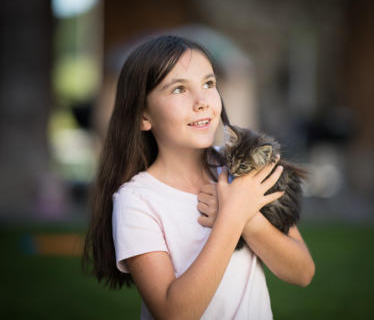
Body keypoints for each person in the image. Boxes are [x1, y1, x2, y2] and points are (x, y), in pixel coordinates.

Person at [82, 35, 315, 320]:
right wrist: (232, 217)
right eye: (179, 89)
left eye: (209, 84)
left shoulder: (243, 170)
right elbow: (174, 313)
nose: (202, 101)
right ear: (143, 115)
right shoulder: (137, 200)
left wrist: (249, 220)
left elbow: (303, 272)